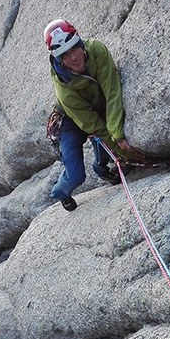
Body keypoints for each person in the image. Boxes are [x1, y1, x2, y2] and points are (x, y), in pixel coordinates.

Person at [44, 18, 139, 211]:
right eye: (65, 55)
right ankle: (61, 192)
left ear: (80, 42)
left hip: (96, 109)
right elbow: (94, 126)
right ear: (58, 59)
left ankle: (102, 169)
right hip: (70, 123)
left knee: (105, 143)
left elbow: (112, 90)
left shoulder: (96, 50)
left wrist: (118, 135)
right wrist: (123, 150)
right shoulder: (65, 90)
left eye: (74, 48)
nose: (73, 58)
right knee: (76, 175)